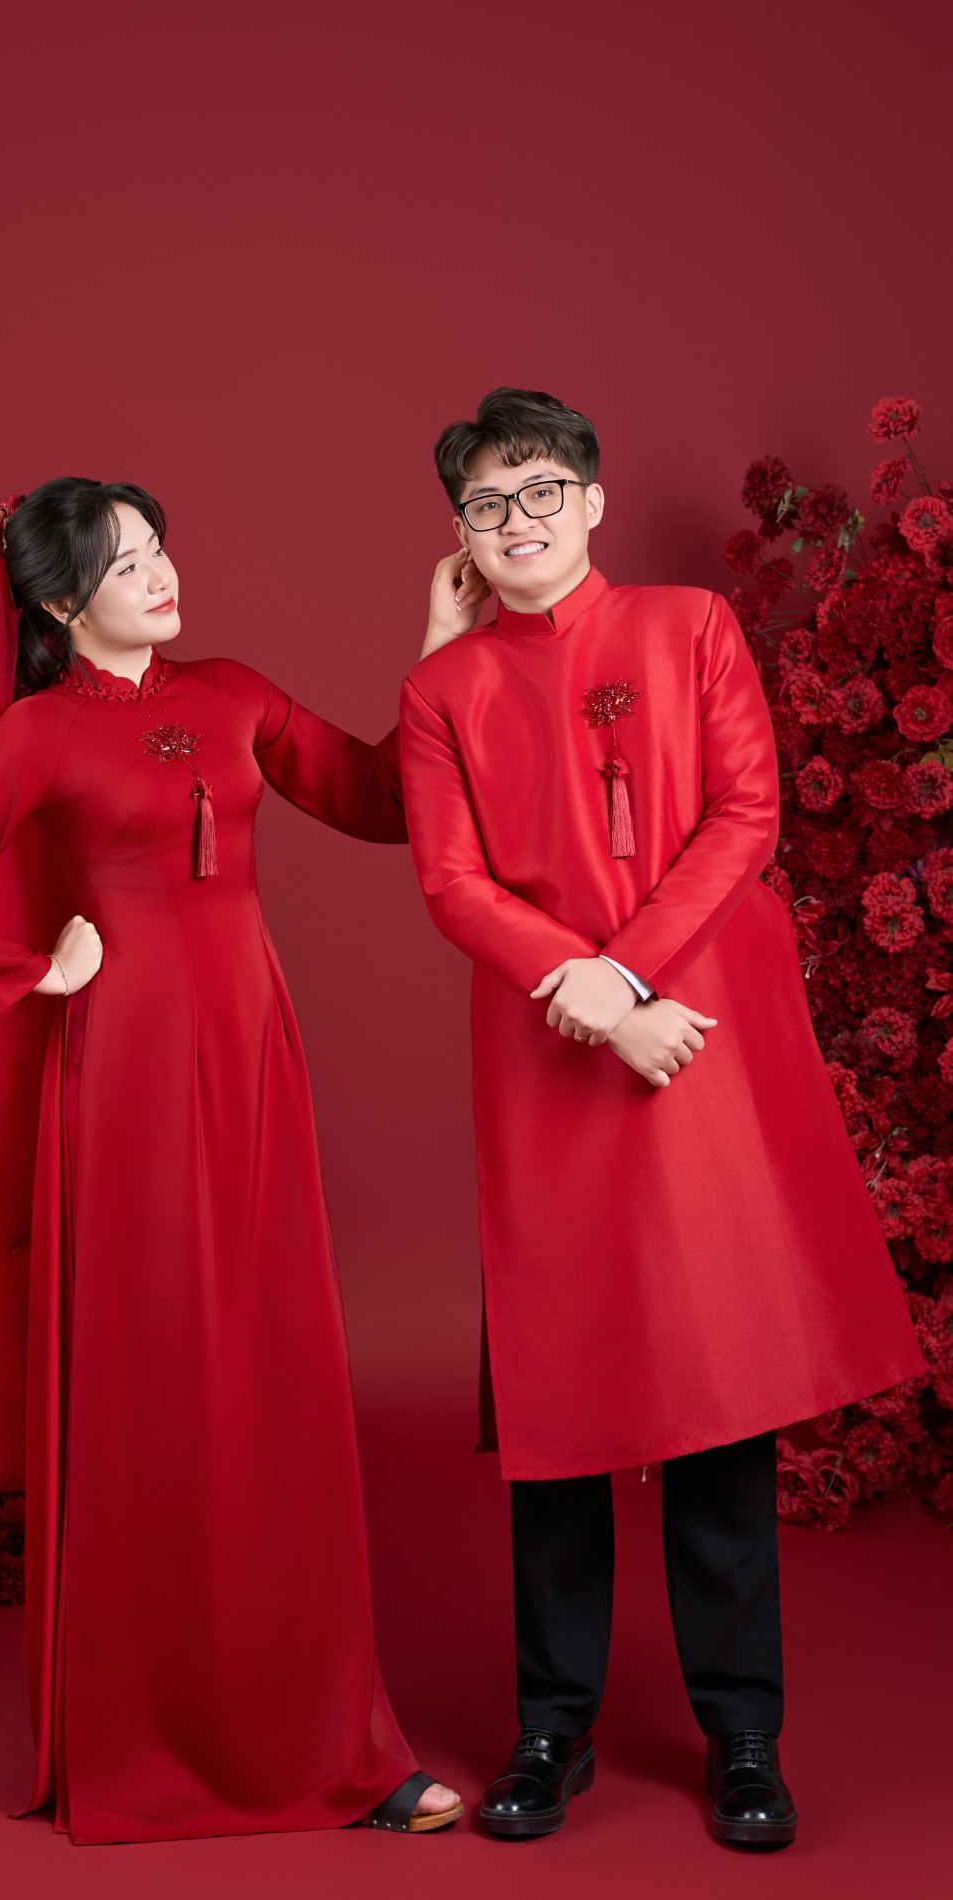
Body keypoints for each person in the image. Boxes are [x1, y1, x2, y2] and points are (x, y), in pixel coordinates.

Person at [0, 478, 468, 1846]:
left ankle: (334, 1741)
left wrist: (438, 645)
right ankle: (142, 1744)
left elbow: (384, 796)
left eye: (159, 548)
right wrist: (32, 969)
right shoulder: (38, 733)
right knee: (147, 1378)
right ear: (59, 599)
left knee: (278, 1372)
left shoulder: (239, 694)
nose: (161, 573)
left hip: (251, 1056)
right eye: (126, 560)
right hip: (125, 1078)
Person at [399, 388, 927, 1850]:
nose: (519, 522)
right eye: (487, 504)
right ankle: (551, 1726)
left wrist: (627, 976)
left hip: (691, 1038)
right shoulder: (441, 692)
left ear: (593, 498)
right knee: (561, 1394)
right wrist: (579, 985)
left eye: (541, 491)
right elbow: (449, 881)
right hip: (549, 1049)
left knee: (712, 1389)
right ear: (459, 532)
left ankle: (744, 1733)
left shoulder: (690, 626)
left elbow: (744, 815)